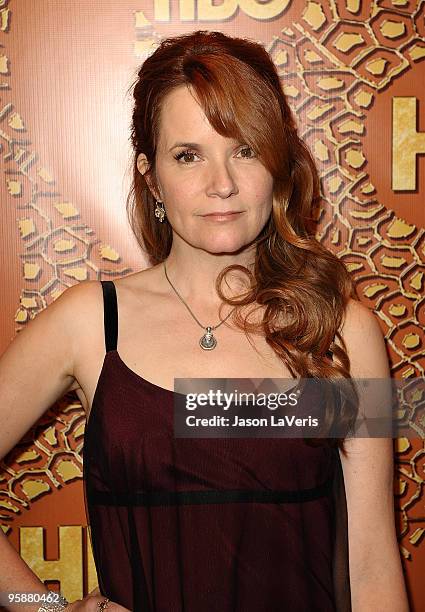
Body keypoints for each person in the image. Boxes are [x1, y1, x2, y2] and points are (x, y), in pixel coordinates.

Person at [0, 29, 409, 612]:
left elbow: (370, 564)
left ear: (277, 162)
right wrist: (44, 611)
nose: (222, 184)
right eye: (188, 155)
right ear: (150, 174)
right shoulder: (91, 324)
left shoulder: (340, 330)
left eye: (244, 149)